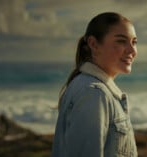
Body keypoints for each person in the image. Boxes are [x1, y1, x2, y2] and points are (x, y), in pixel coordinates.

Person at [52, 12, 138, 157]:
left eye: (134, 42)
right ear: (93, 44)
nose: (132, 50)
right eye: (121, 41)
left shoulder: (90, 87)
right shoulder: (94, 93)